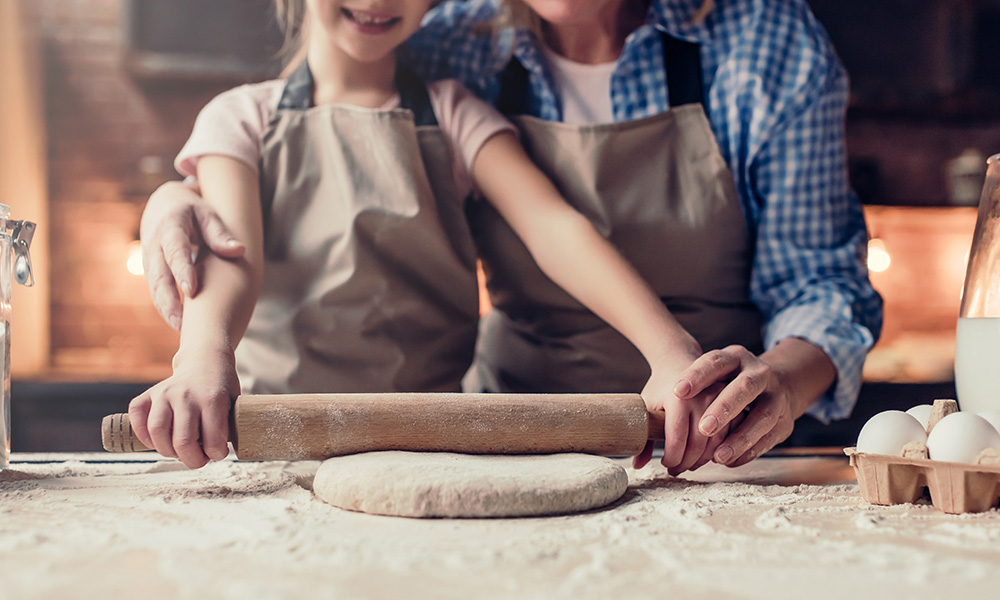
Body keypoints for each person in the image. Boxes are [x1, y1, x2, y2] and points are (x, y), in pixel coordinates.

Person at [139, 0, 883, 473]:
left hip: (707, 436)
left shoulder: (765, 42)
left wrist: (706, 367)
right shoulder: (457, 38)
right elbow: (240, 234)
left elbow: (557, 229)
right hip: (502, 438)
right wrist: (176, 202)